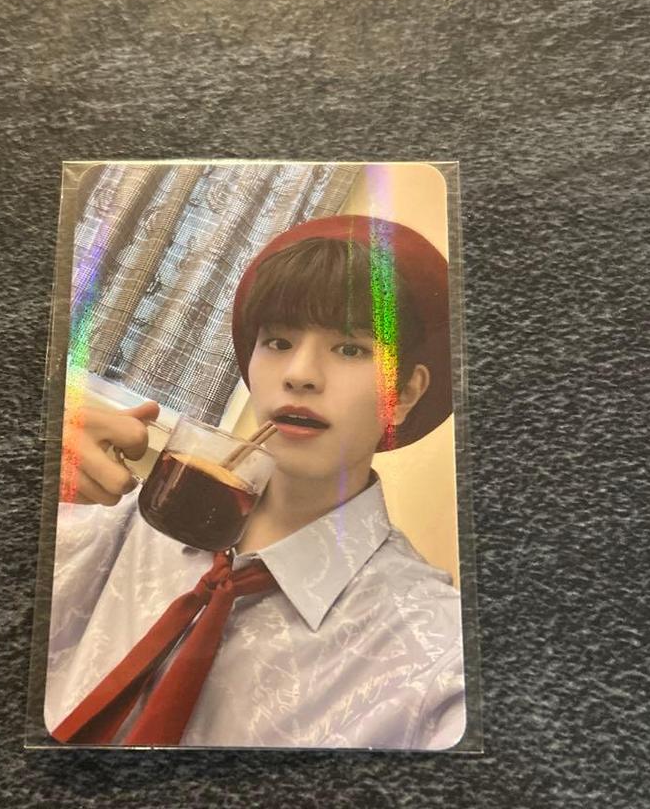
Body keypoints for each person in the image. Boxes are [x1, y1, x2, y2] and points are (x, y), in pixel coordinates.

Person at [43, 215, 465, 749]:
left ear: (403, 395)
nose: (299, 374)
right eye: (279, 341)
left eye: (351, 348)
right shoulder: (128, 518)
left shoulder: (436, 648)